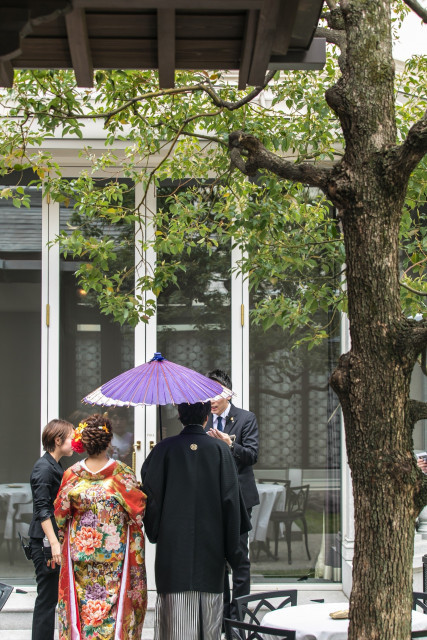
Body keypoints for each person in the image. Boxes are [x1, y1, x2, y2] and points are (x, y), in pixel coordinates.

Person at [141, 401, 250, 640]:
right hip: (211, 551)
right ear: (206, 418)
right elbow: (232, 503)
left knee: (175, 628)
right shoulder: (220, 450)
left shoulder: (163, 449)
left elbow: (150, 497)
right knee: (208, 628)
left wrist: (155, 531)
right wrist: (233, 551)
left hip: (173, 549)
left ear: (179, 415)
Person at [54, 413, 147, 640]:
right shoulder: (122, 474)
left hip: (82, 558)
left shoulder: (72, 476)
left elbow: (60, 514)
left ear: (83, 442)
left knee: (85, 610)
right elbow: (138, 512)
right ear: (109, 441)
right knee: (111, 611)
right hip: (114, 557)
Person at [206, 369, 259, 621]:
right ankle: (221, 617)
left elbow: (252, 455)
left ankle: (238, 618)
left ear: (228, 393)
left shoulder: (245, 418)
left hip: (238, 498)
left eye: (216, 394)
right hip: (212, 501)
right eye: (208, 395)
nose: (212, 401)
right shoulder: (203, 421)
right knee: (217, 561)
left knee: (239, 557)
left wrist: (230, 444)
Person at [29, 418, 74, 640]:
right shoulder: (44, 468)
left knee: (50, 599)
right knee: (47, 601)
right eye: (71, 439)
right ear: (58, 440)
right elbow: (42, 508)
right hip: (45, 543)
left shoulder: (54, 465)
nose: (75, 443)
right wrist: (54, 543)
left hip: (51, 542)